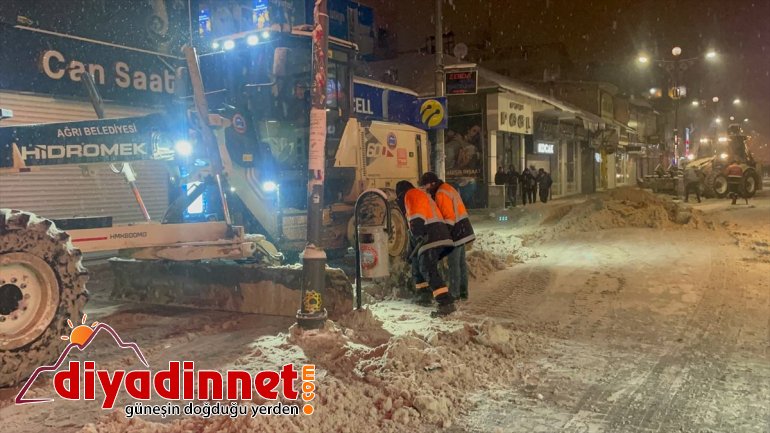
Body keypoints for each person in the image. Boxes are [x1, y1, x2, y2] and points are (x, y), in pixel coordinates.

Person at [395, 181, 456, 316]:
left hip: (432, 234)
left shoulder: (411, 194)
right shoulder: (418, 195)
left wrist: (419, 232)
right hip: (436, 233)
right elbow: (413, 231)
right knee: (417, 264)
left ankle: (446, 303)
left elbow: (417, 219)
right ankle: (424, 295)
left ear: (400, 193)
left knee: (427, 267)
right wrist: (410, 254)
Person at [420, 172, 476, 301]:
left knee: (453, 264)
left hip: (455, 232)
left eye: (425, 185)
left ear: (432, 183)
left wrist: (445, 234)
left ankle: (455, 293)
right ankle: (463, 292)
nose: (425, 188)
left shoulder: (441, 193)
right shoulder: (447, 188)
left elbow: (449, 217)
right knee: (461, 263)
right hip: (462, 229)